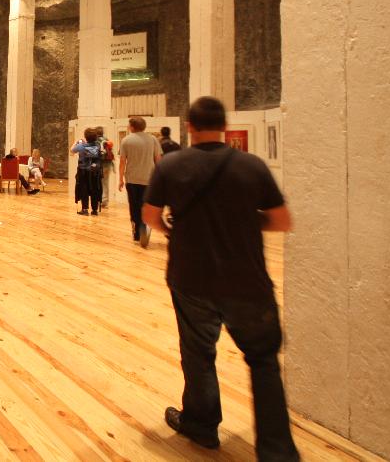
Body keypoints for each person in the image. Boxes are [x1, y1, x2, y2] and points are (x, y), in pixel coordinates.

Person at [142, 96, 298, 461]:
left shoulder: (172, 165)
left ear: (190, 127)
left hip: (191, 277)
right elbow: (281, 221)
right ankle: (277, 450)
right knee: (263, 361)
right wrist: (244, 221)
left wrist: (171, 229)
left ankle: (202, 425)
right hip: (247, 281)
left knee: (198, 354)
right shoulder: (251, 165)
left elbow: (150, 216)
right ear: (225, 127)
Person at [119, 116, 162, 245]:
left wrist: (120, 179)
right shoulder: (153, 139)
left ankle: (137, 233)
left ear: (132, 127)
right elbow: (158, 159)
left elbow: (122, 162)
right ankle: (144, 227)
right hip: (149, 179)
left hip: (132, 179)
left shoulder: (126, 140)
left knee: (134, 206)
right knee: (145, 205)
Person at [71, 128, 103, 215]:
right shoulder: (97, 146)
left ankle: (85, 209)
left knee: (83, 189)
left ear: (86, 136)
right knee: (95, 190)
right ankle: (94, 210)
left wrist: (76, 142)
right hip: (94, 172)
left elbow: (72, 150)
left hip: (83, 171)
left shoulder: (81, 146)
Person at [97, 126, 114, 208]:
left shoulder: (96, 141)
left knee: (97, 183)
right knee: (105, 183)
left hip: (100, 165)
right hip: (108, 164)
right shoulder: (107, 140)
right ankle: (105, 201)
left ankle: (98, 201)